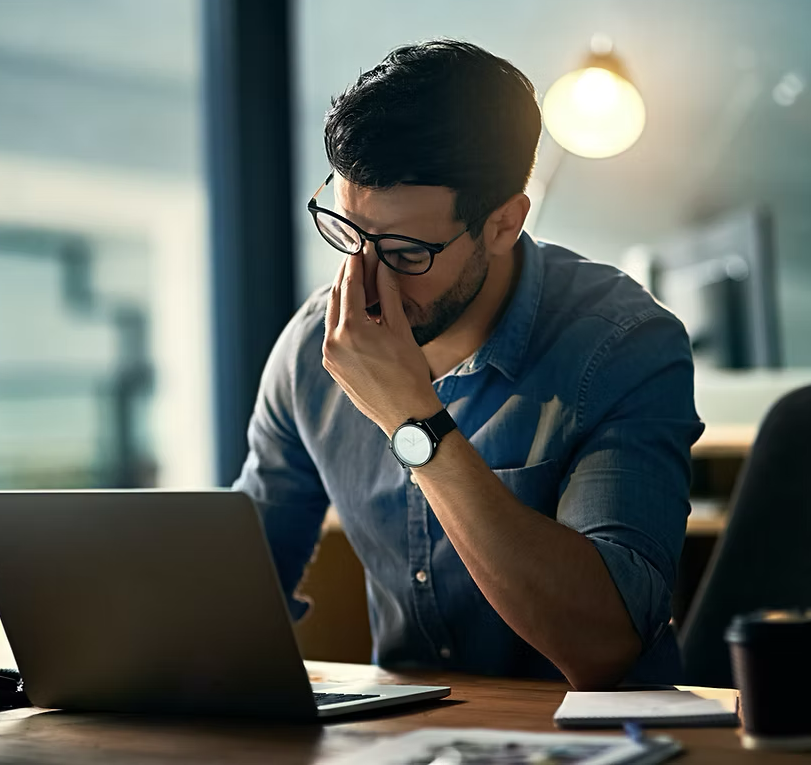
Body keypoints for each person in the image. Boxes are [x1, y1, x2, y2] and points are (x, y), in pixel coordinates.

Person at [234, 39, 703, 689]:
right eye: (349, 234)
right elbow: (238, 590)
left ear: (505, 223)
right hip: (401, 730)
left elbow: (605, 644)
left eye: (405, 252)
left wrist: (411, 419)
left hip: (594, 735)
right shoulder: (314, 348)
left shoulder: (623, 345)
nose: (365, 281)